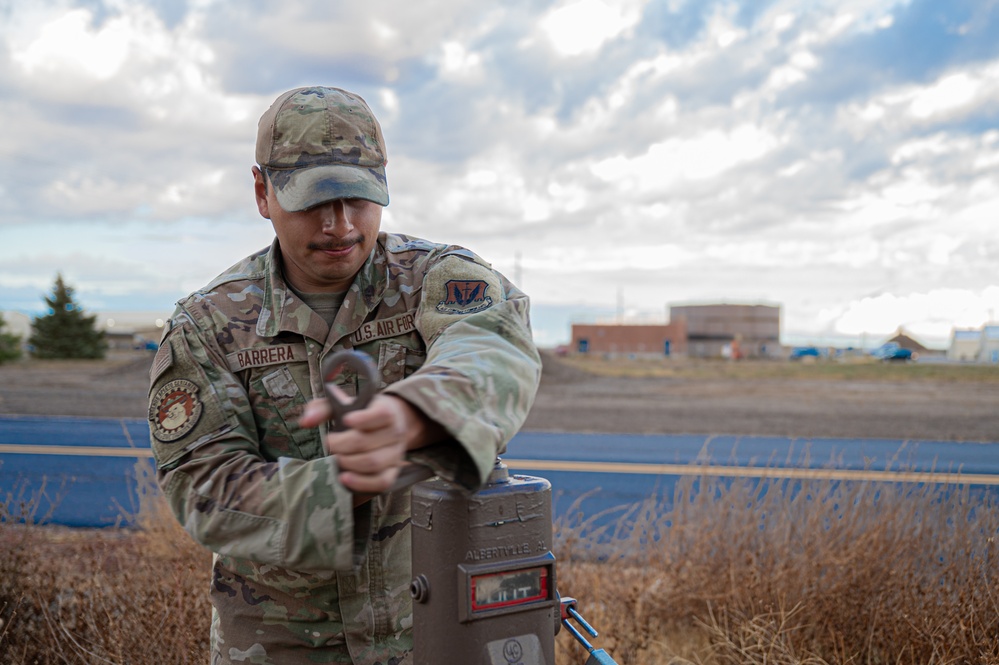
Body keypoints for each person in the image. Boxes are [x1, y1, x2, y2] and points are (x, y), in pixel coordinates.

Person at [147, 86, 542, 665]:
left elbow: (490, 350)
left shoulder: (439, 278)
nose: (338, 225)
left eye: (358, 198)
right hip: (283, 643)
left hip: (430, 631)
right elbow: (204, 486)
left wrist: (419, 413)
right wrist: (348, 483)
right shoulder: (210, 323)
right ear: (262, 192)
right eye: (312, 201)